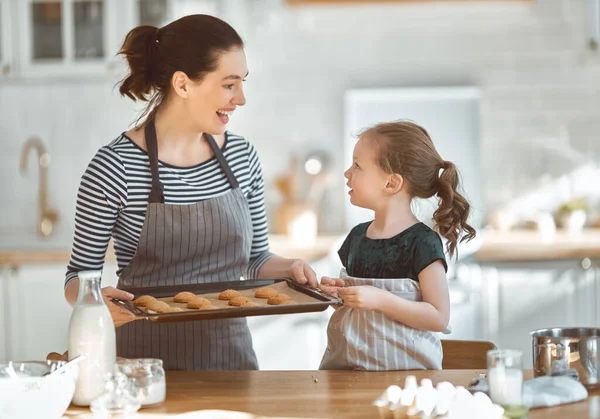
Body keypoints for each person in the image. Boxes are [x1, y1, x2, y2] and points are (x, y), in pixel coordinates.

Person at [64, 14, 317, 371]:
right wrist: (94, 301)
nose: (241, 99)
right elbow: (78, 276)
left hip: (231, 362)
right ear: (183, 84)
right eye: (229, 85)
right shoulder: (114, 167)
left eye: (242, 83)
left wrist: (289, 267)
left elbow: (256, 258)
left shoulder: (241, 156)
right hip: (143, 368)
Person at [319, 121, 476, 370]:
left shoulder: (422, 243)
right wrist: (337, 294)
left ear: (391, 183)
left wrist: (382, 300)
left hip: (408, 382)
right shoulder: (355, 238)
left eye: (357, 165)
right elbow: (354, 311)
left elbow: (438, 316)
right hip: (347, 377)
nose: (347, 173)